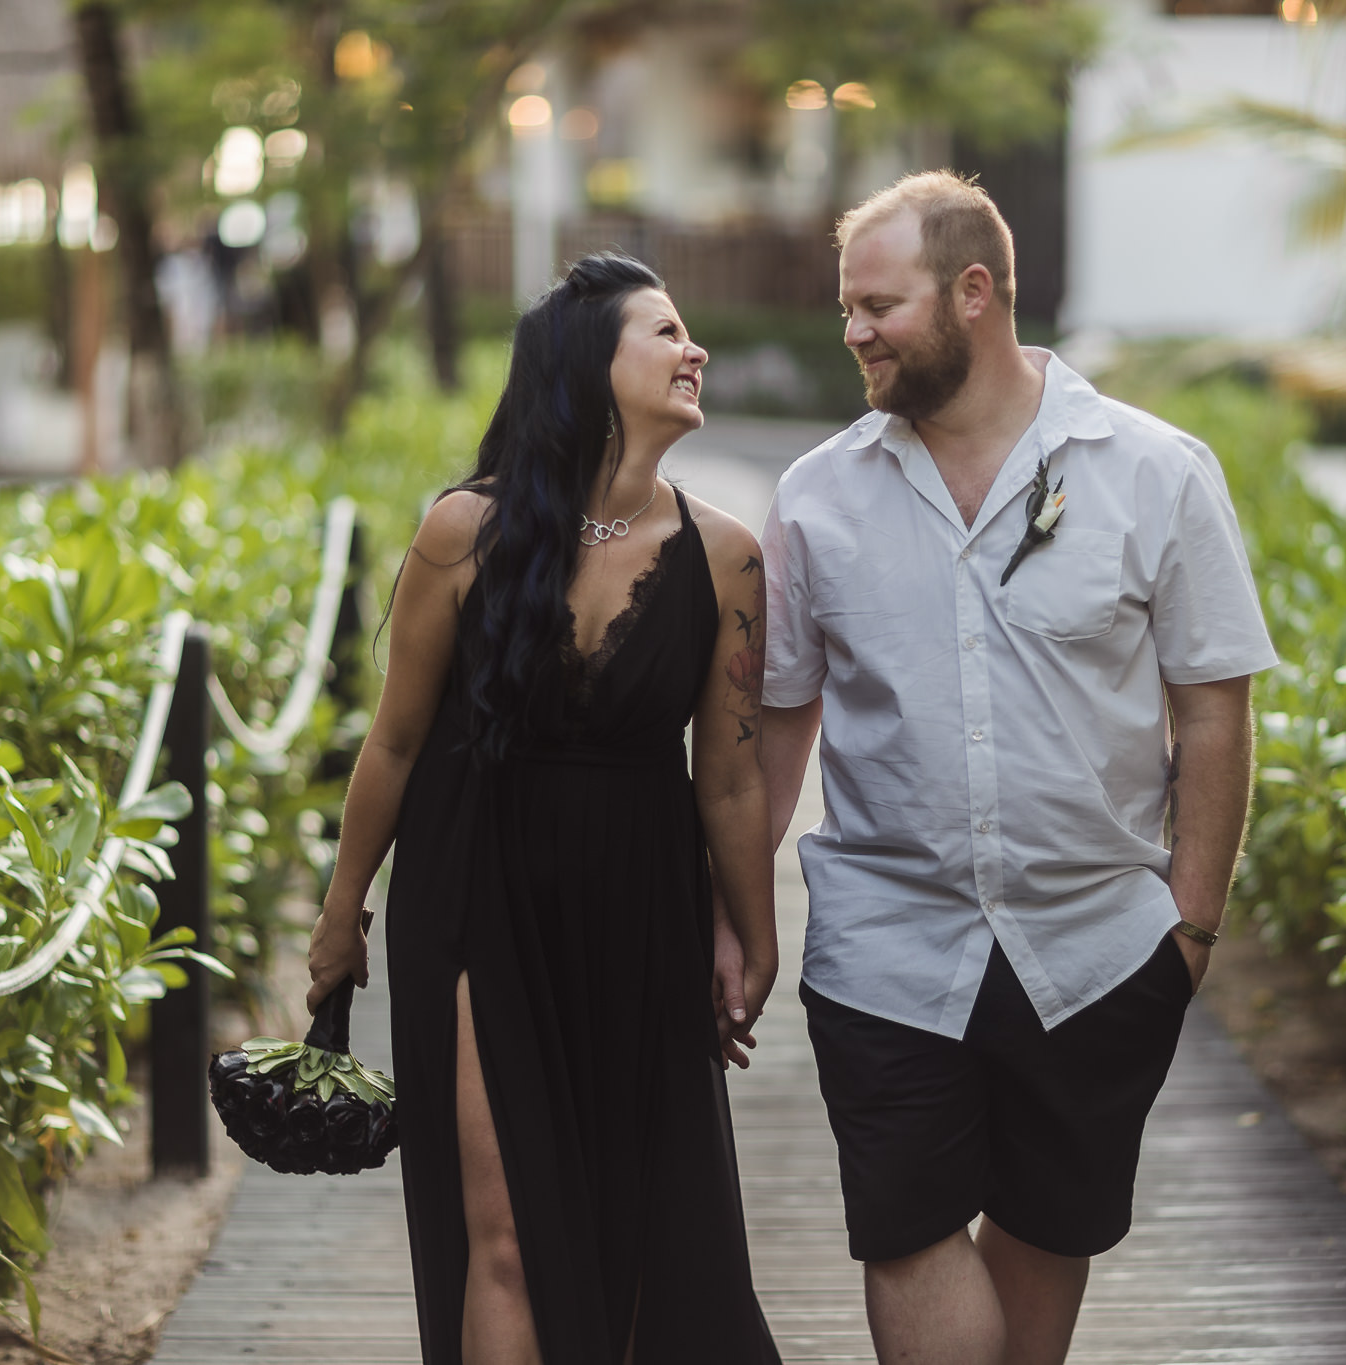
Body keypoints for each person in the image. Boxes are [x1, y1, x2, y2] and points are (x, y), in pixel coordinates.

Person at [741, 172, 1280, 1365]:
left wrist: (1188, 932)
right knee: (905, 1230)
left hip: (1095, 950)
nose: (852, 331)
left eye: (877, 304)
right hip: (883, 944)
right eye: (847, 308)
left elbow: (1213, 713)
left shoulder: (1155, 470)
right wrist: (735, 917)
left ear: (972, 292)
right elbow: (778, 724)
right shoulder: (817, 495)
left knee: (1043, 1235)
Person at [306, 252, 784, 1365]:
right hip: (475, 891)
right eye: (664, 333)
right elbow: (396, 740)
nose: (693, 351)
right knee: (506, 1234)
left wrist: (750, 940)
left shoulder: (729, 560)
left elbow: (727, 776)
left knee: (634, 1227)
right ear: (587, 366)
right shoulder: (460, 533)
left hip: (640, 900)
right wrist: (343, 913)